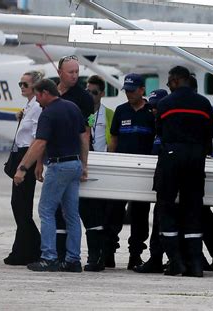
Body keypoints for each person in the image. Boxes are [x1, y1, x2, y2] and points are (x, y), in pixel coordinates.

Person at [14, 79, 88, 272]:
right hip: (74, 164)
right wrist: (84, 164)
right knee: (72, 214)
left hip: (59, 165)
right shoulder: (72, 108)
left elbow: (39, 143)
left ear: (45, 93)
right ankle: (73, 259)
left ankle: (49, 257)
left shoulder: (48, 113)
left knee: (46, 210)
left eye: (37, 95)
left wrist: (22, 168)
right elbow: (84, 137)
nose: (37, 100)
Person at [154, 66, 213, 277]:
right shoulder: (204, 104)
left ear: (177, 80)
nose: (168, 85)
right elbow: (209, 138)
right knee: (193, 211)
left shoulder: (165, 104)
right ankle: (196, 265)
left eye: (169, 81)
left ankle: (176, 262)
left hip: (171, 159)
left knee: (167, 210)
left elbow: (160, 134)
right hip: (196, 160)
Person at [109, 73, 155, 270]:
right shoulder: (121, 111)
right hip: (122, 169)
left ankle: (135, 254)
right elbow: (114, 139)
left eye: (132, 90)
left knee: (139, 215)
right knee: (113, 213)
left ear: (142, 90)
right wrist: (111, 161)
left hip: (143, 170)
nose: (128, 94)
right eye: (126, 91)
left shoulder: (151, 113)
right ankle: (108, 252)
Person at [53, 55, 94, 261]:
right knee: (54, 210)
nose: (75, 76)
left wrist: (84, 164)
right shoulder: (50, 91)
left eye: (77, 72)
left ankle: (74, 256)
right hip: (53, 157)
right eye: (71, 72)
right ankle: (59, 254)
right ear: (59, 72)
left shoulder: (83, 98)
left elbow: (85, 132)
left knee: (74, 209)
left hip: (72, 158)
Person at [3, 71, 43, 266]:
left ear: (35, 86)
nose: (21, 87)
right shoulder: (29, 106)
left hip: (27, 156)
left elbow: (37, 138)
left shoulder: (36, 106)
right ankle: (25, 248)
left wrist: (26, 165)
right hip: (21, 153)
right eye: (20, 84)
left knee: (21, 205)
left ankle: (31, 248)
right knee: (18, 205)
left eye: (25, 84)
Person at [79, 75, 116, 271]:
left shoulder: (108, 114)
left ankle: (106, 254)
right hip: (86, 165)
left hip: (103, 166)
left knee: (106, 214)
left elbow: (113, 140)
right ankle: (95, 255)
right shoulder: (80, 112)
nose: (91, 96)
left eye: (94, 92)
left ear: (102, 94)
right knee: (88, 212)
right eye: (88, 91)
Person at [134, 88, 168, 274]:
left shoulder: (167, 127)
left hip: (168, 179)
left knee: (163, 219)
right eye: (151, 107)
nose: (153, 111)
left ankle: (159, 258)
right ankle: (157, 257)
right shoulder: (155, 125)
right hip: (158, 178)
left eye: (156, 107)